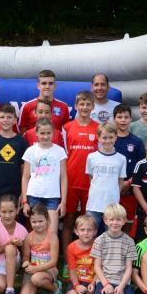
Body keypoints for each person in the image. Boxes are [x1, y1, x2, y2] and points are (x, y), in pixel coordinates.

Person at [61, 91, 99, 261]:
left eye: (88, 104)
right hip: (70, 182)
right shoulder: (67, 128)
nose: (84, 107)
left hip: (90, 184)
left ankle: (87, 261)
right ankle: (67, 261)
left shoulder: (98, 128)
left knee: (88, 224)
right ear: (76, 106)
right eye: (81, 104)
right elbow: (63, 156)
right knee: (69, 221)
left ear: (93, 106)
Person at [21, 117, 68, 234]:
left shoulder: (60, 151)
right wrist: (25, 201)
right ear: (36, 133)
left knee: (52, 232)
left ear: (53, 132)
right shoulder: (30, 151)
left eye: (48, 133)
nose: (45, 136)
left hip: (52, 197)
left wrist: (63, 202)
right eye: (42, 133)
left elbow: (63, 177)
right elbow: (25, 177)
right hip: (34, 196)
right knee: (36, 232)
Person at [91, 204, 138, 294]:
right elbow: (97, 266)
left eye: (118, 219)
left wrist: (121, 286)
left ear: (124, 221)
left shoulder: (129, 241)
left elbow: (129, 268)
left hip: (122, 281)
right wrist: (106, 284)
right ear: (105, 220)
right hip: (104, 280)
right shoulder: (99, 240)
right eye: (111, 219)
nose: (115, 223)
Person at [85, 123, 127, 234]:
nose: (108, 141)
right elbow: (91, 179)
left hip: (112, 205)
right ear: (98, 137)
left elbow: (120, 182)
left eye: (111, 137)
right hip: (94, 204)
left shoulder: (121, 159)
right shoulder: (91, 157)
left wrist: (114, 197)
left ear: (116, 137)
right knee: (90, 233)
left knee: (111, 235)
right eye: (104, 137)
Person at [112, 104, 146, 233]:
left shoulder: (137, 142)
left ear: (131, 119)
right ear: (114, 119)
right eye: (119, 117)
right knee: (111, 220)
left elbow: (141, 167)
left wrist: (128, 183)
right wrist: (116, 185)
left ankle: (125, 244)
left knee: (127, 221)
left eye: (126, 117)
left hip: (129, 190)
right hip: (110, 189)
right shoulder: (109, 140)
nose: (123, 120)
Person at [20, 203, 62, 294]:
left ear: (47, 220)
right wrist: (26, 262)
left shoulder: (52, 238)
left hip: (49, 270)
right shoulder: (29, 237)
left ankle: (55, 289)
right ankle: (37, 286)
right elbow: (26, 257)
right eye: (34, 222)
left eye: (40, 221)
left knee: (36, 279)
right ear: (30, 221)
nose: (37, 224)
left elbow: (53, 262)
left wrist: (36, 269)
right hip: (33, 271)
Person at [64, 214, 97, 294]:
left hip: (92, 280)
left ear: (95, 232)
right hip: (77, 279)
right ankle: (78, 292)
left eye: (89, 230)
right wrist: (76, 285)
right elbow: (72, 269)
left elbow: (100, 268)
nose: (86, 233)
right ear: (76, 231)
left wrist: (93, 283)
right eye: (82, 230)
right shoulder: (71, 247)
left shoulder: (98, 245)